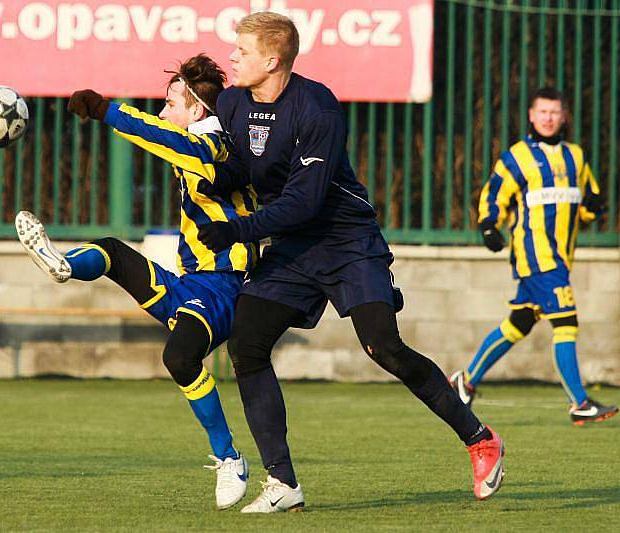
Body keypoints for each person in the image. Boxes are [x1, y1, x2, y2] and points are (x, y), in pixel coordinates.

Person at [195, 12, 505, 513]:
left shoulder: (317, 108)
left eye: (242, 52)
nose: (232, 58)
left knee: (383, 346)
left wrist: (238, 229)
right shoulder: (233, 102)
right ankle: (283, 483)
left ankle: (480, 439)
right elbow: (241, 167)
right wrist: (207, 177)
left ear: (272, 60)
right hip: (292, 248)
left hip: (345, 240)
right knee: (247, 344)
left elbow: (305, 201)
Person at [14, 54, 258, 509]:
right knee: (112, 251)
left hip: (229, 283)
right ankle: (64, 266)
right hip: (194, 282)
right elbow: (169, 139)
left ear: (198, 111)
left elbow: (169, 139)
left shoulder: (217, 144)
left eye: (170, 103)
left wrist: (107, 110)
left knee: (180, 356)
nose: (164, 111)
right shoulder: (198, 142)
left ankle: (229, 459)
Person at [450, 86, 619, 426]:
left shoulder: (576, 156)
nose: (548, 118)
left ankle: (464, 382)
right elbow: (494, 194)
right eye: (542, 111)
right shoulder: (518, 156)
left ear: (564, 115)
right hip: (536, 255)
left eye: (555, 112)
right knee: (566, 323)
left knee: (519, 323)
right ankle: (579, 403)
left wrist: (594, 208)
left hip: (561, 257)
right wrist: (488, 224)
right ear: (531, 115)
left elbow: (588, 202)